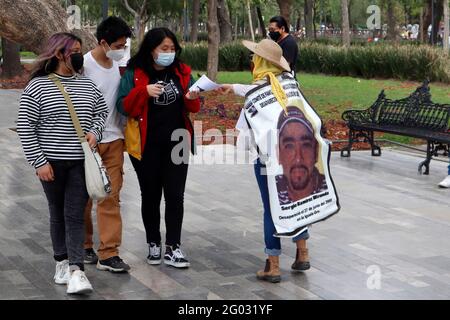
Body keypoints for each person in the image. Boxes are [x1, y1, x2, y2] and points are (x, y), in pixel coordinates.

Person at [17, 33, 108, 294]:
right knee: (57, 212)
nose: (79, 56)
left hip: (80, 163)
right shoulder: (37, 87)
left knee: (75, 214)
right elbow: (26, 126)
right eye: (75, 51)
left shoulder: (87, 85)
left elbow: (101, 112)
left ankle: (77, 270)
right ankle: (61, 261)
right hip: (51, 164)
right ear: (59, 54)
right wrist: (39, 162)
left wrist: (95, 132)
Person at [217, 39, 311, 284]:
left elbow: (246, 130)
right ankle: (302, 252)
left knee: (272, 207)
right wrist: (233, 87)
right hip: (297, 157)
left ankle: (273, 265)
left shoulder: (258, 93)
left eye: (254, 57)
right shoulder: (290, 85)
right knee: (296, 201)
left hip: (268, 159)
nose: (251, 59)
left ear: (260, 62)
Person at [116, 28, 200, 269]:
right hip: (147, 145)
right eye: (164, 49)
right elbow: (123, 106)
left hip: (178, 142)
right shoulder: (135, 72)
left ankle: (174, 247)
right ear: (151, 49)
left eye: (172, 49)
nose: (169, 53)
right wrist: (143, 92)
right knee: (150, 195)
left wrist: (193, 95)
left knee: (175, 195)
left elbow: (193, 107)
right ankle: (153, 243)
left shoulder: (182, 71)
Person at [82, 16, 132, 273]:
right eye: (118, 45)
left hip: (114, 140)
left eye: (124, 44)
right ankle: (84, 245)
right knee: (84, 198)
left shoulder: (121, 63)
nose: (122, 49)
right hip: (85, 143)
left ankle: (108, 253)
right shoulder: (83, 65)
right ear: (103, 43)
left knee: (111, 198)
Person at [276, 106, 327, 205]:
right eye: (289, 146)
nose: (298, 159)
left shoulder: (326, 191)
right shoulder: (272, 190)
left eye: (306, 145)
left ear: (316, 152)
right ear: (278, 153)